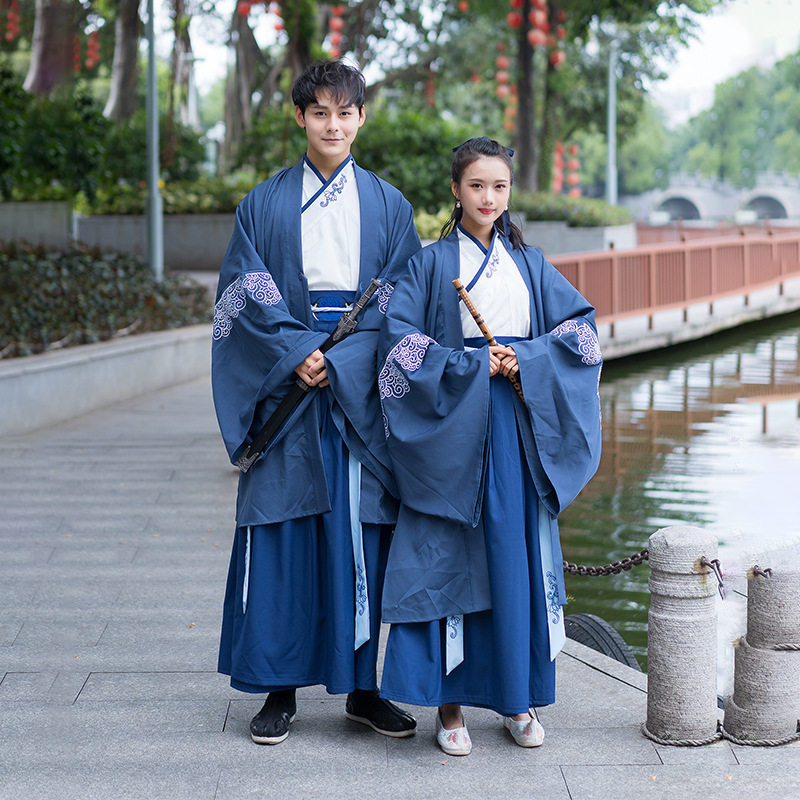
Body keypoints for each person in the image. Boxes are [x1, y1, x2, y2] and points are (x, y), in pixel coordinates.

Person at [211, 59, 421, 746]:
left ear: (362, 118)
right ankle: (279, 688)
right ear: (299, 117)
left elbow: (401, 298)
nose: (333, 124)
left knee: (362, 535)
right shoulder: (263, 203)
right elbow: (244, 290)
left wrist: (344, 359)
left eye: (345, 111)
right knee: (282, 532)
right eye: (320, 112)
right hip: (290, 382)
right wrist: (296, 351)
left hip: (356, 386)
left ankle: (363, 689)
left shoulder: (390, 206)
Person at [376, 136, 602, 755]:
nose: (488, 198)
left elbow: (581, 336)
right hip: (454, 433)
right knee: (451, 559)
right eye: (476, 185)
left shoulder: (530, 263)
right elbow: (399, 349)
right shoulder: (429, 265)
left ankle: (517, 697)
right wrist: (472, 367)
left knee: (515, 556)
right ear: (455, 190)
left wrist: (527, 357)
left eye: (499, 186)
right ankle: (449, 707)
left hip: (518, 428)